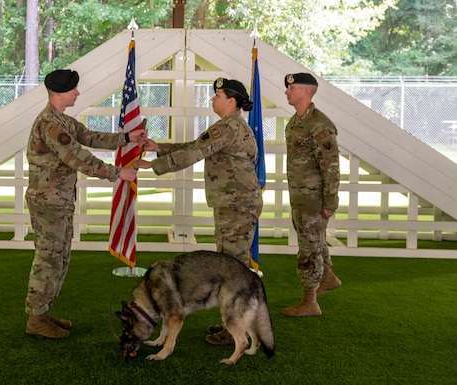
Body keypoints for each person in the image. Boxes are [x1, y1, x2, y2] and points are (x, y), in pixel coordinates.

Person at [135, 77, 263, 344]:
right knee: (229, 264)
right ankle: (232, 321)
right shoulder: (228, 127)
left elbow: (195, 152)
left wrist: (154, 166)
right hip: (233, 204)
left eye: (217, 95)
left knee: (234, 268)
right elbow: (197, 147)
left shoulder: (228, 128)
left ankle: (236, 329)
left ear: (232, 101)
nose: (212, 99)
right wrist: (159, 149)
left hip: (236, 205)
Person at [25, 69, 146, 338]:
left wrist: (128, 138)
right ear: (59, 92)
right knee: (49, 259)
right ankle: (35, 318)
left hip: (58, 201)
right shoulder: (51, 125)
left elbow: (90, 137)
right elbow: (78, 157)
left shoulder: (63, 121)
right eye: (73, 89)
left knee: (59, 257)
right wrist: (118, 173)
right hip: (49, 203)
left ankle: (42, 311)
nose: (77, 92)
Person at [282, 72, 342, 317]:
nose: (286, 91)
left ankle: (310, 301)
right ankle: (327, 276)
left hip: (314, 201)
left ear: (305, 91)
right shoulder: (295, 122)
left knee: (308, 250)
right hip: (301, 199)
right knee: (314, 242)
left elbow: (331, 167)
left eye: (291, 88)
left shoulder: (320, 124)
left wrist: (330, 203)